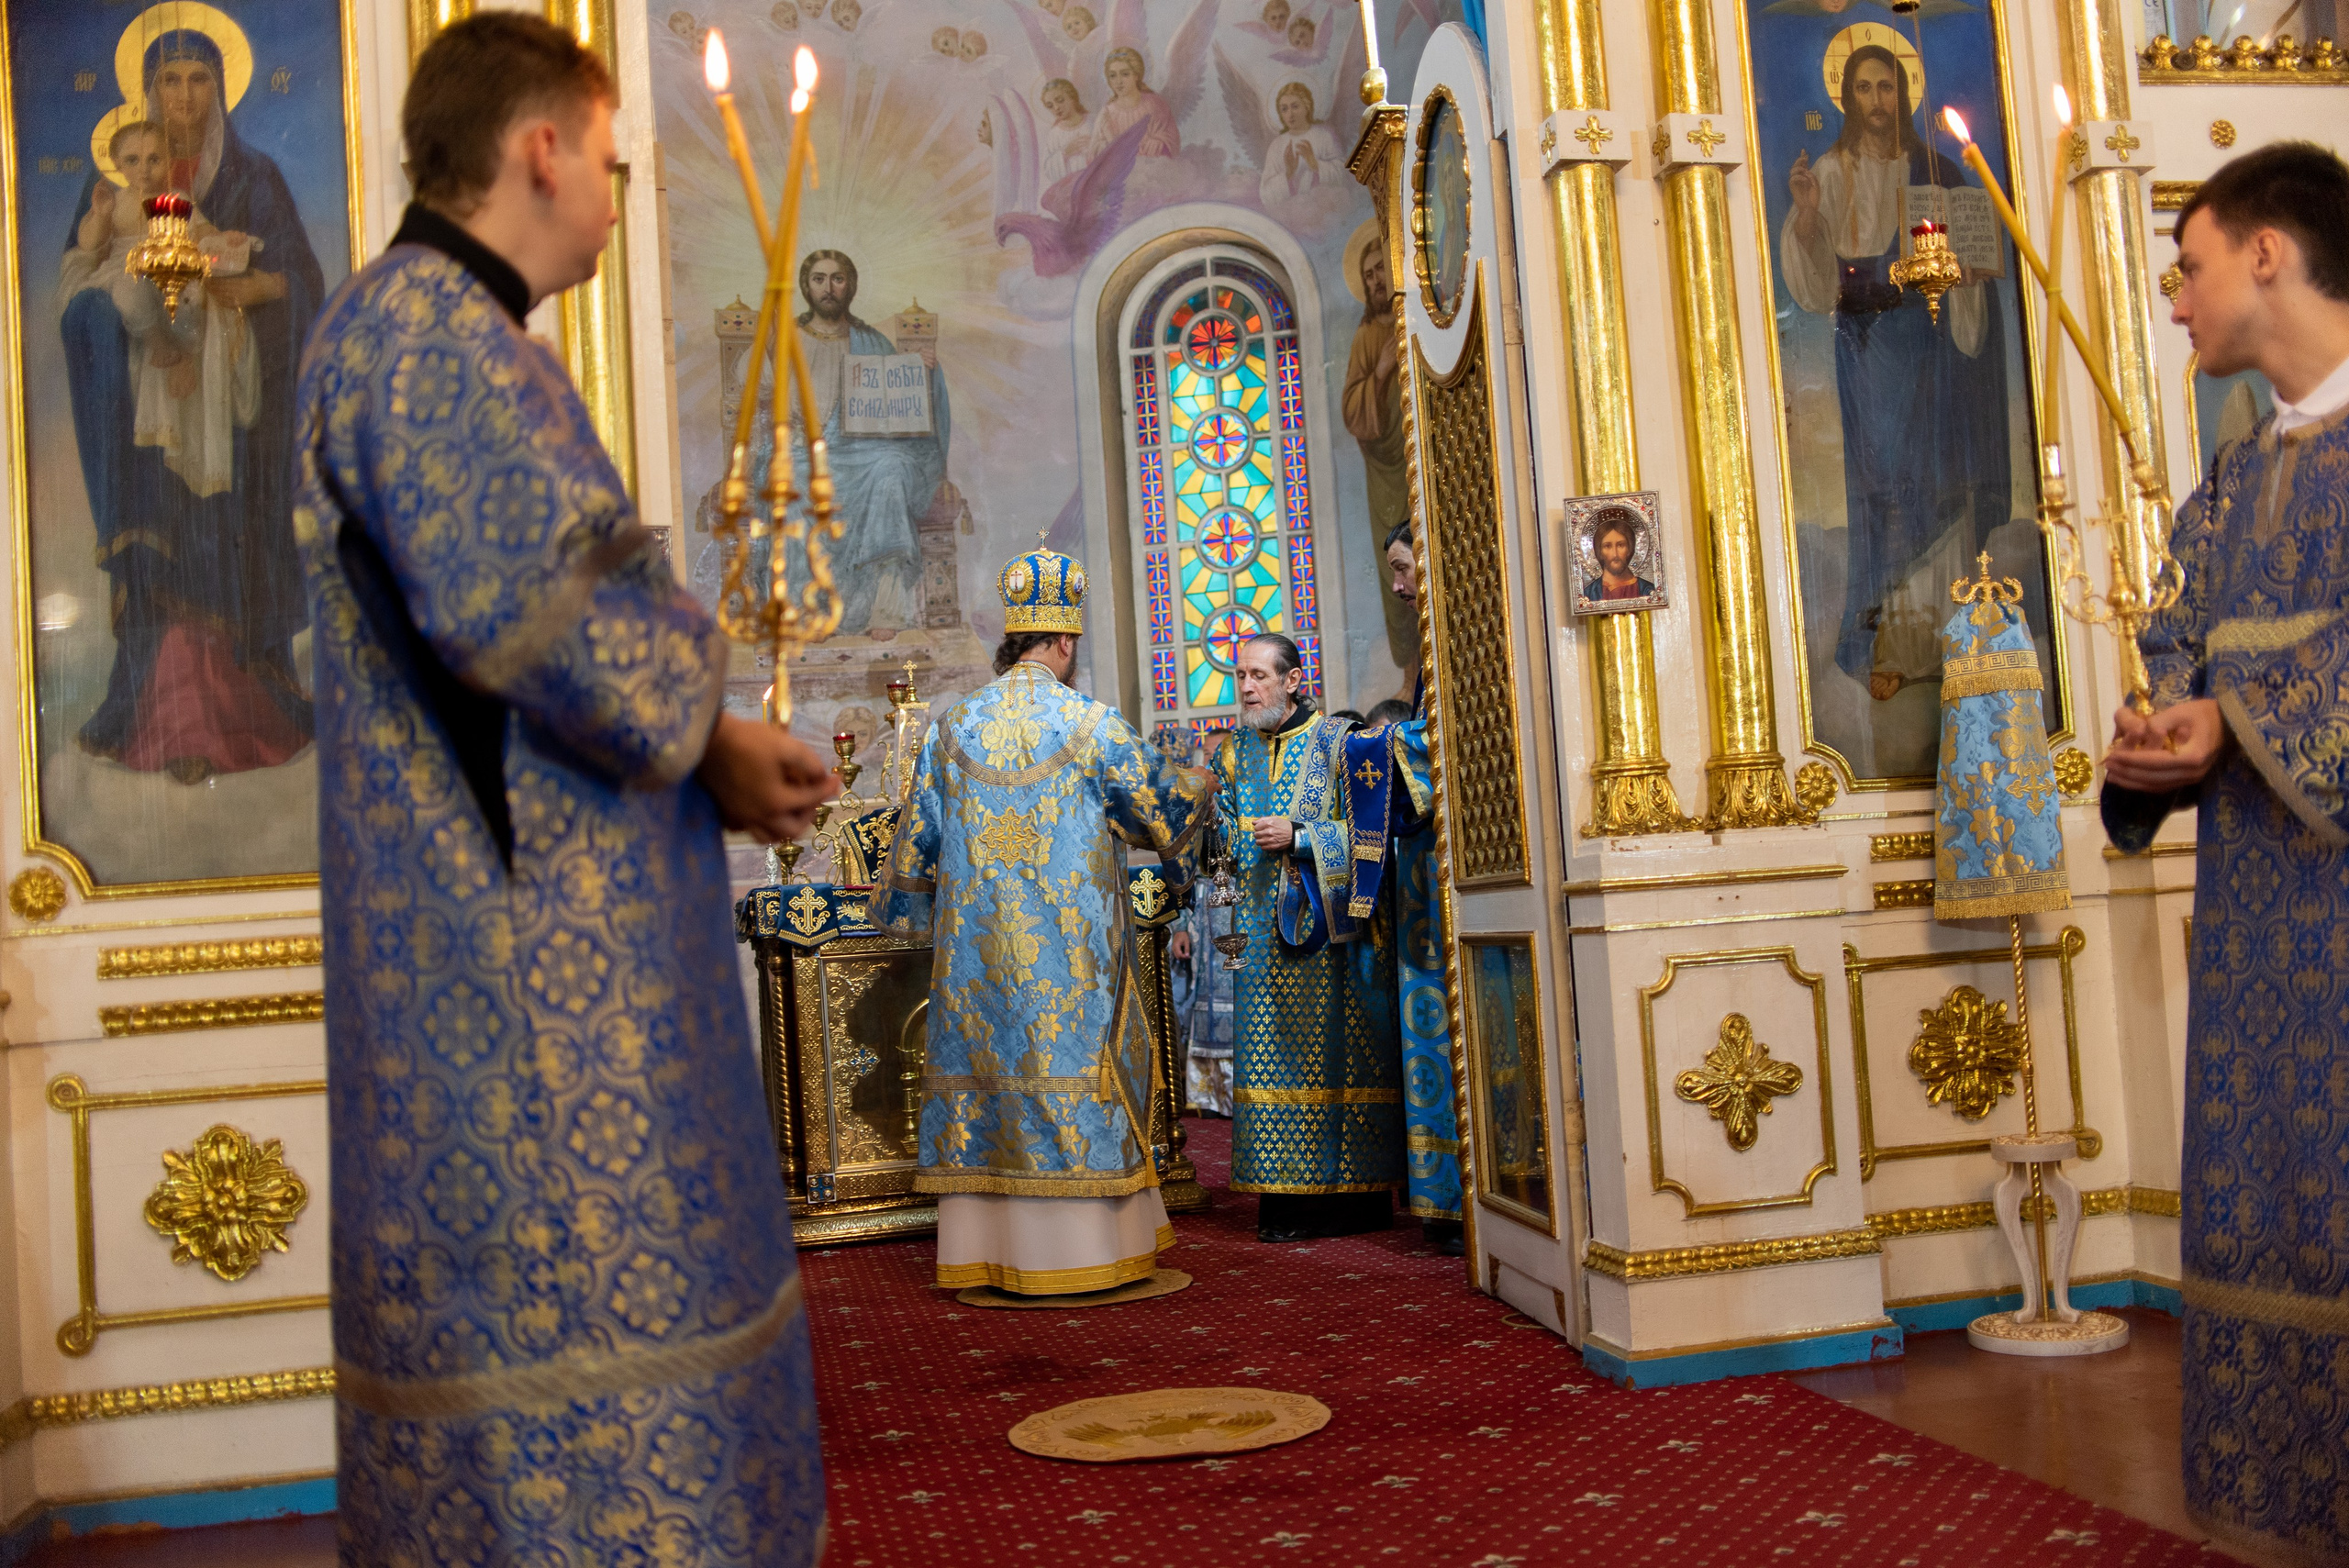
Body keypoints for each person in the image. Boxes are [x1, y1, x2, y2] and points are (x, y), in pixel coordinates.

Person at [295, 17, 838, 1562]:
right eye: (608, 161)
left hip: (514, 936)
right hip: (534, 972)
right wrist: (713, 730)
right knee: (587, 1369)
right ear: (540, 149)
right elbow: (540, 612)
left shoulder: (418, 329)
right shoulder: (433, 336)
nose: (613, 195)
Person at [2099, 141, 2349, 1565]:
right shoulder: (2229, 481)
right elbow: (2176, 648)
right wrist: (2153, 736)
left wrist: (2236, 712)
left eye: (2188, 265)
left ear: (2268, 253)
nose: (2175, 296)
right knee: (2272, 1213)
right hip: (2258, 937)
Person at [874, 541, 1215, 1294]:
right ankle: (1086, 1250)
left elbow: (913, 856)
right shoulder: (1090, 724)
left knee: (990, 1071)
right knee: (1076, 1068)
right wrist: (1203, 779)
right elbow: (1164, 807)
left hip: (978, 973)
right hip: (1069, 967)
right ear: (1064, 640)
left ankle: (986, 1251)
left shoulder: (951, 728)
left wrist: (919, 916)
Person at [64, 25, 324, 783]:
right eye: (170, 80)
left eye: (198, 79)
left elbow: (298, 278)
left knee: (219, 544)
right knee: (158, 551)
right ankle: (156, 718)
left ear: (221, 88)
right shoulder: (111, 184)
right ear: (147, 92)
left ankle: (236, 720)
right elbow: (79, 288)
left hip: (229, 412)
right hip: (143, 410)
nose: (184, 95)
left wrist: (260, 285)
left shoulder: (254, 176)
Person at [1779, 42, 2009, 701]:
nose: (1877, 101)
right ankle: (1879, 640)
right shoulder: (1830, 171)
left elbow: (1973, 258)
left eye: (1887, 87)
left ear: (1902, 95)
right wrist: (1807, 214)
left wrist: (1968, 275)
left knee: (1937, 482)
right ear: (1847, 97)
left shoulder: (1936, 170)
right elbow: (1816, 287)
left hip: (1934, 349)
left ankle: (1941, 640)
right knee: (1883, 489)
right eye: (1864, 88)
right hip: (1869, 350)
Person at [1213, 633, 1404, 1241]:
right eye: (1241, 676)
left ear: (1293, 681)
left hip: (1331, 948)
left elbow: (1374, 839)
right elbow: (1221, 845)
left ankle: (1353, 1199)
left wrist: (1300, 837)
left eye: (1259, 676)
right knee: (1270, 1064)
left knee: (1338, 1059)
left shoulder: (1341, 744)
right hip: (1258, 942)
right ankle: (1284, 1201)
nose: (1247, 688)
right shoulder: (1232, 753)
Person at [1351, 531, 1461, 1251]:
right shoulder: (1430, 646)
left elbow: (1441, 739)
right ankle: (1446, 1197)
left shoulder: (1455, 638)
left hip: (1451, 870)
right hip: (1426, 870)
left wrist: (1367, 746)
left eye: (1401, 568)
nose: (1397, 586)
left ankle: (1462, 1195)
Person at [786, 249, 952, 639]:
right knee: (792, 479)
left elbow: (899, 400)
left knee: (892, 469)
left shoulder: (871, 341)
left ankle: (884, 608)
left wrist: (922, 369)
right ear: (806, 287)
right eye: (819, 279)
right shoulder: (786, 339)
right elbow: (754, 387)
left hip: (865, 451)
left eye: (838, 278)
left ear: (851, 286)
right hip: (804, 449)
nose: (829, 288)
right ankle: (809, 608)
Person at [1348, 246, 1416, 662]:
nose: (1375, 280)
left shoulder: (1414, 322)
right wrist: (1382, 371)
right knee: (1395, 563)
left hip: (1414, 462)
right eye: (1368, 274)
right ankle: (1408, 668)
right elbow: (1354, 413)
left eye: (1380, 270)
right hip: (1384, 468)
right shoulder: (1366, 338)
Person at [1580, 506, 1655, 603]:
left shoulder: (1647, 591)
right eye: (1607, 546)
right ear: (1599, 551)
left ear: (1630, 548)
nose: (1615, 554)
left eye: (1620, 545)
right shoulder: (1588, 595)